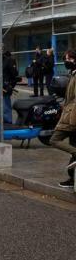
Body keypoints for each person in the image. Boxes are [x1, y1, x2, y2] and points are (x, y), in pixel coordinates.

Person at [49, 49, 76, 188]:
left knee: (54, 139)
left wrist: (68, 112)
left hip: (72, 117)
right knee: (73, 145)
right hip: (70, 115)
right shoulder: (73, 74)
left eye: (68, 59)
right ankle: (72, 179)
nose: (66, 62)